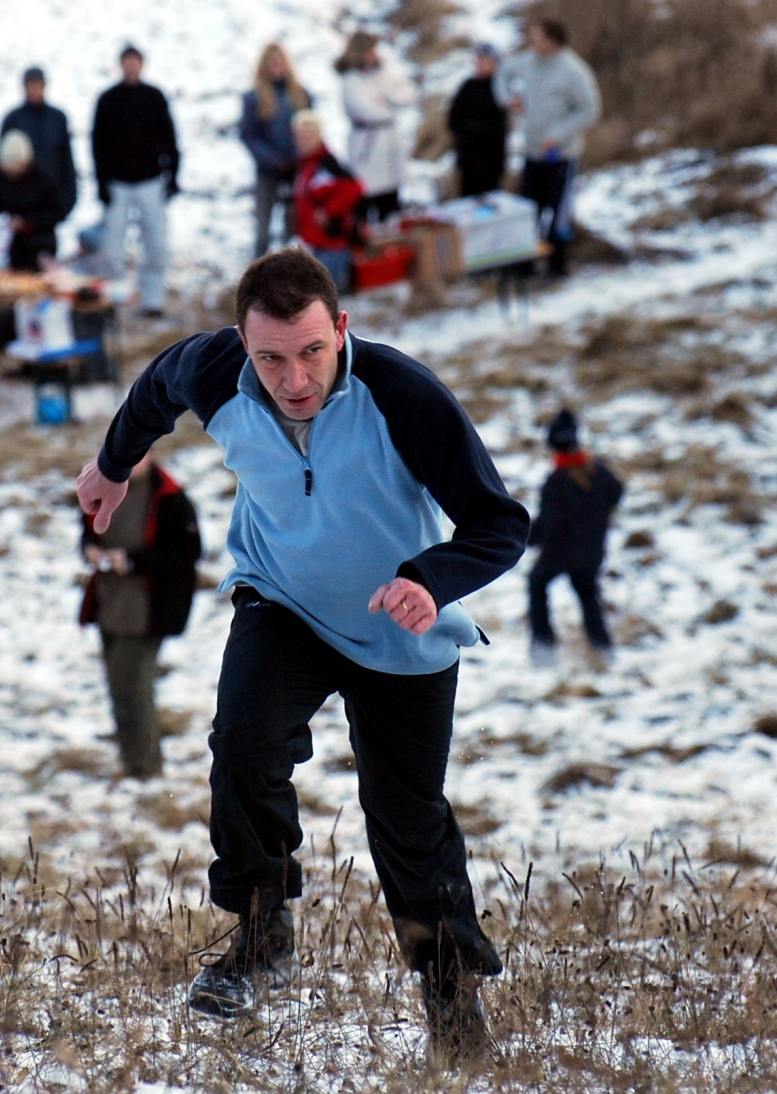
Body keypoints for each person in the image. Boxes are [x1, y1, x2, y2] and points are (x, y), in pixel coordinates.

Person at [75, 249, 528, 1059]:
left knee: (408, 824)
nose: (293, 378)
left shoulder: (402, 394)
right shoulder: (214, 370)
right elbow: (154, 390)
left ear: (342, 328)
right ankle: (261, 935)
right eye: (271, 358)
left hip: (402, 629)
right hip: (284, 601)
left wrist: (431, 578)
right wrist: (112, 466)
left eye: (313, 351)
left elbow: (500, 523)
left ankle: (456, 1020)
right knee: (243, 743)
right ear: (244, 345)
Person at [79, 452, 201, 778]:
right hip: (109, 603)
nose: (132, 458)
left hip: (150, 610)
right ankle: (132, 762)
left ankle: (146, 768)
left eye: (140, 451)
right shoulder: (104, 487)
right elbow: (88, 527)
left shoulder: (170, 497)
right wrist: (90, 548)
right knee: (118, 688)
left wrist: (133, 561)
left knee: (131, 688)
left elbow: (186, 552)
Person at [495, 19, 601, 276]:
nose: (531, 42)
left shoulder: (574, 71)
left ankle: (557, 267)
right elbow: (503, 73)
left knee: (558, 216)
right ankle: (526, 265)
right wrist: (508, 99)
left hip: (562, 156)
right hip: (532, 153)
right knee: (529, 211)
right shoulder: (528, 61)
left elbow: (590, 109)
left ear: (552, 42)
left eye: (537, 38)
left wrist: (558, 134)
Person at [527, 410, 623, 665]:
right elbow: (616, 493)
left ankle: (543, 648)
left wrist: (526, 538)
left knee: (537, 585)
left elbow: (550, 524)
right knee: (588, 596)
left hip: (558, 555)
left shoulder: (556, 482)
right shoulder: (600, 474)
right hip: (591, 554)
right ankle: (603, 649)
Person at [92, 45, 180, 318]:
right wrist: (101, 182)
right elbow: (97, 144)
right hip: (117, 183)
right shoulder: (108, 99)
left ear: (142, 65)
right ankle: (113, 299)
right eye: (127, 62)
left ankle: (152, 300)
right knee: (111, 247)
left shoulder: (154, 97)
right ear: (121, 65)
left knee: (156, 243)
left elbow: (170, 138)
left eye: (135, 62)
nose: (131, 67)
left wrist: (173, 175)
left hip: (150, 181)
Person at [334, 32, 416, 226]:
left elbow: (407, 94)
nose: (374, 55)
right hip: (368, 146)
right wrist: (389, 106)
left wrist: (386, 100)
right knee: (366, 198)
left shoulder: (384, 72)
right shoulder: (351, 81)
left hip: (389, 144)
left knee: (391, 200)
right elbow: (364, 110)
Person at [240, 43, 312, 258]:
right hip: (267, 169)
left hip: (296, 168)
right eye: (272, 63)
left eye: (280, 62)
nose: (277, 67)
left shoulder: (300, 95)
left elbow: (309, 126)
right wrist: (272, 160)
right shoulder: (254, 98)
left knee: (294, 228)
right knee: (263, 228)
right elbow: (249, 135)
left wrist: (297, 156)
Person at [291, 111, 364, 293]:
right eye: (299, 136)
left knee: (332, 298)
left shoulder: (327, 163)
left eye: (308, 136)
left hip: (332, 243)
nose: (303, 141)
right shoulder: (306, 164)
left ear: (318, 136)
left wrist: (329, 210)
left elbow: (355, 187)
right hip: (316, 243)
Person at [0, 67, 77, 222]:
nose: (34, 90)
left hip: (50, 206)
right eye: (30, 85)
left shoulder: (57, 119)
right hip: (20, 204)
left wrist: (67, 201)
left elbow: (66, 162)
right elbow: (2, 164)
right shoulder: (13, 120)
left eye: (37, 85)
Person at [0, 130, 63, 272]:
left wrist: (26, 221)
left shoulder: (43, 180)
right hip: (15, 245)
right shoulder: (3, 179)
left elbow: (56, 212)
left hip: (41, 244)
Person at [447, 44, 508, 198]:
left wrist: (477, 129)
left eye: (484, 61)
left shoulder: (499, 88)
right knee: (466, 201)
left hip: (491, 161)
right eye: (478, 60)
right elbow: (453, 119)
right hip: (468, 158)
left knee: (490, 201)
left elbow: (499, 125)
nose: (479, 64)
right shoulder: (468, 87)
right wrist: (466, 132)